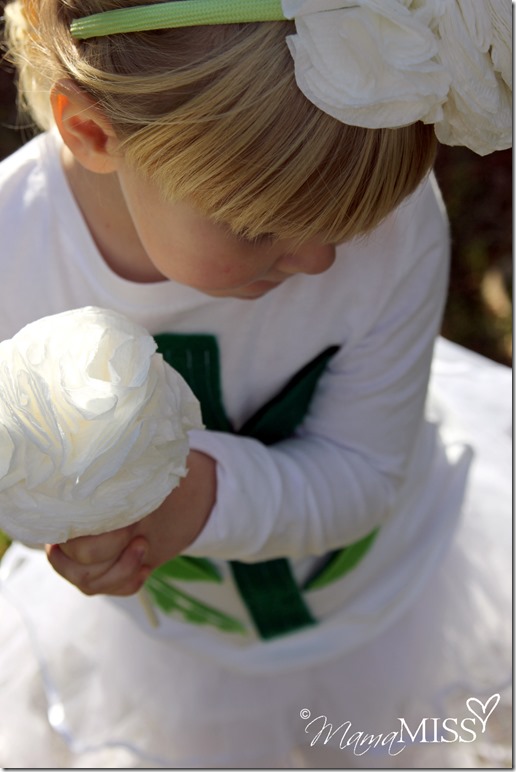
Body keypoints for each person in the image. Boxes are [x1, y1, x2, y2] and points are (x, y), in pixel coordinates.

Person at [0, 0, 511, 767]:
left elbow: (365, 471)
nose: (318, 262)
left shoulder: (398, 231)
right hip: (171, 649)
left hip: (384, 606)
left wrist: (195, 503)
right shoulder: (15, 246)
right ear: (93, 132)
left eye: (348, 222)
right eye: (256, 227)